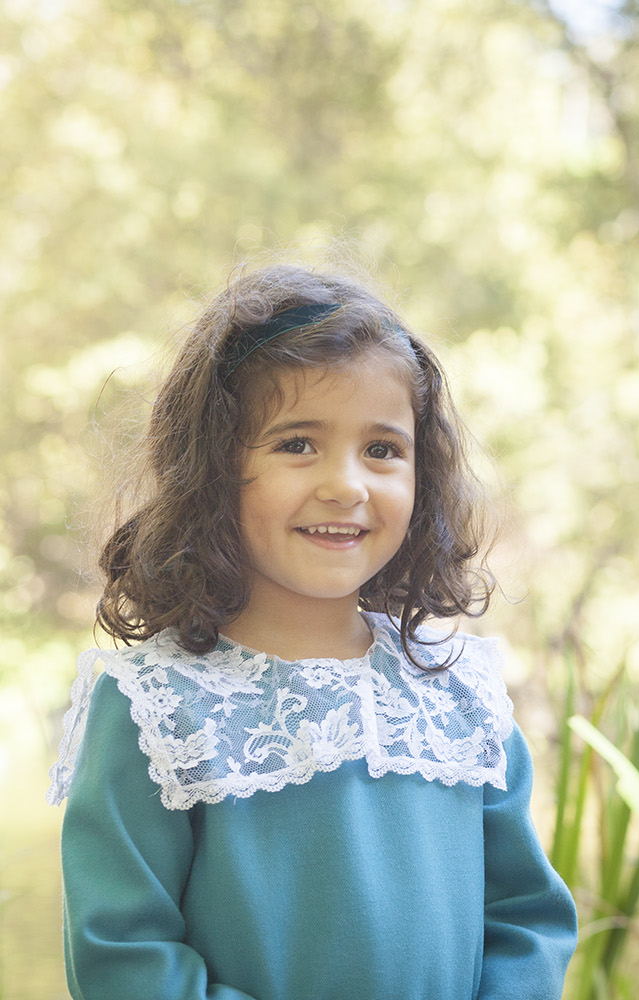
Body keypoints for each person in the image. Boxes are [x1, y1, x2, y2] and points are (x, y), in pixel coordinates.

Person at [45, 262, 577, 1000]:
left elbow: (528, 919)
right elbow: (122, 956)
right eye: (298, 443)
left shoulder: (461, 695)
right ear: (212, 468)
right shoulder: (156, 707)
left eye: (383, 449)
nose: (347, 484)